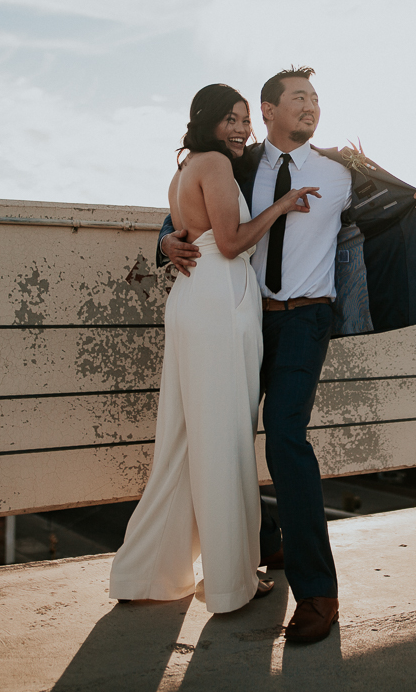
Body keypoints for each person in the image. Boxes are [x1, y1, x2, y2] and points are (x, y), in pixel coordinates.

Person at [159, 67, 416, 642]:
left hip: (306, 319)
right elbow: (192, 206)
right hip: (239, 317)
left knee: (287, 435)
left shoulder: (344, 168)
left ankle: (318, 592)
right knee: (228, 431)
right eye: (298, 98)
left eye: (316, 99)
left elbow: (405, 208)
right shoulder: (237, 161)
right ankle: (266, 544)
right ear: (268, 111)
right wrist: (164, 237)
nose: (311, 107)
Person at [109, 84, 320, 614]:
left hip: (190, 301)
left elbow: (189, 231)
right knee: (224, 440)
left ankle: (148, 572)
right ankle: (229, 583)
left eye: (245, 119)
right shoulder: (218, 167)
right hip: (221, 300)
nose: (241, 129)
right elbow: (229, 242)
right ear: (206, 120)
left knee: (181, 439)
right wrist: (282, 206)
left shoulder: (183, 171)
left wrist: (165, 244)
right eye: (230, 119)